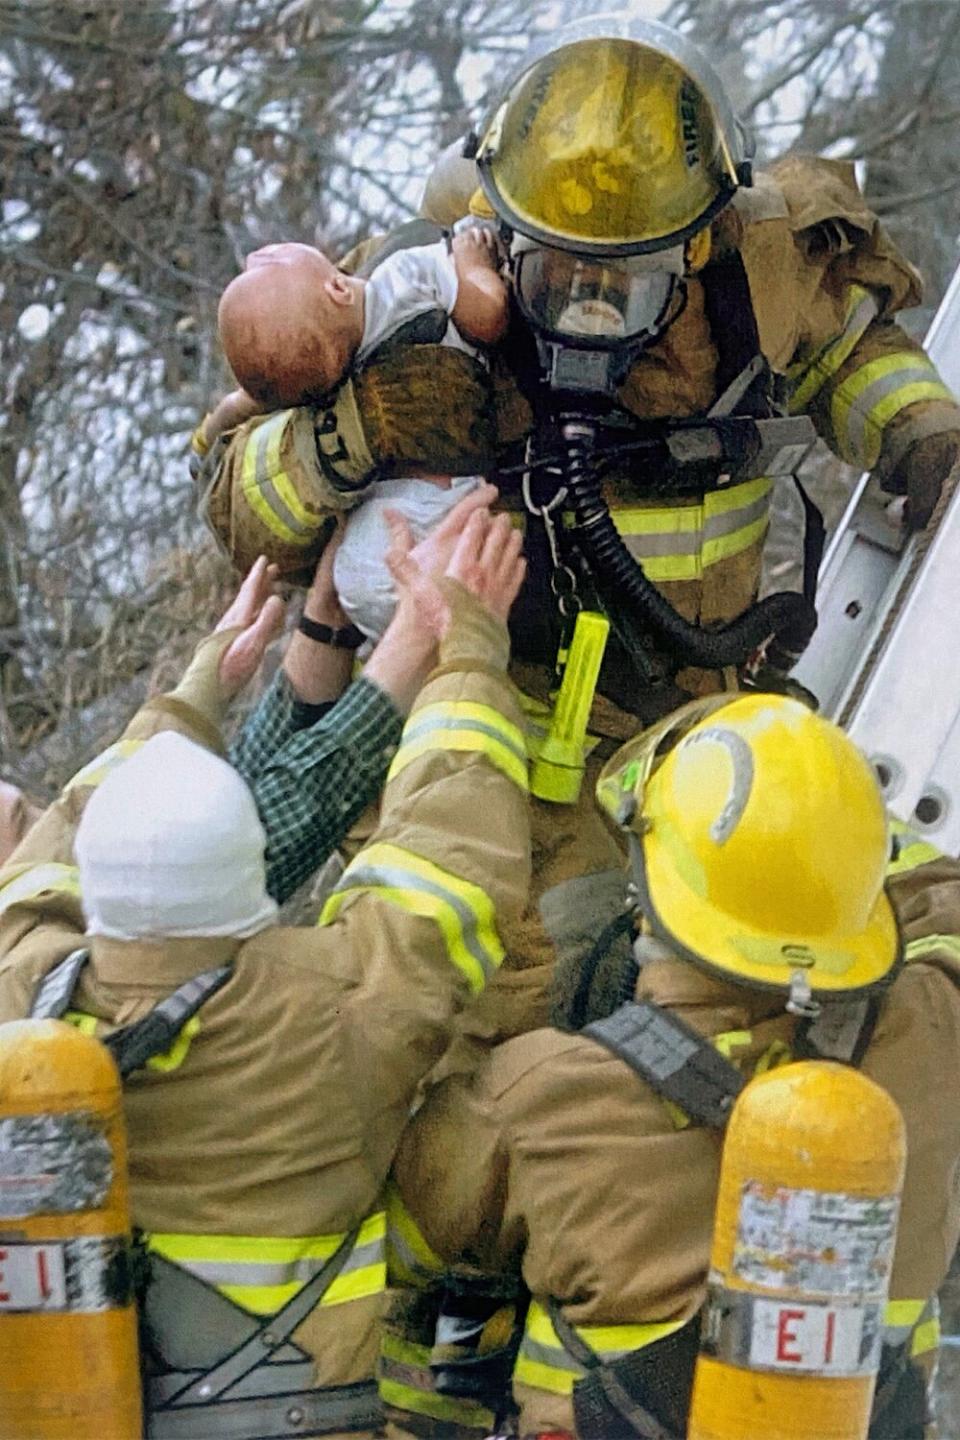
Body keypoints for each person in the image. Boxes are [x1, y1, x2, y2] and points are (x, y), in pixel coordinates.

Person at [192, 13, 960, 1071]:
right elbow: (236, 498)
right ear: (497, 229)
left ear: (696, 242)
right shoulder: (409, 291)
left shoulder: (757, 274)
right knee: (459, 1005)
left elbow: (851, 352)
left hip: (680, 730)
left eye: (626, 280)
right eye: (555, 275)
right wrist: (351, 433)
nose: (588, 305)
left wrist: (918, 431)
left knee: (684, 999)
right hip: (472, 722)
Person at [0, 500, 530, 1440]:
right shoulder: (332, 1017)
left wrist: (190, 700)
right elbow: (453, 856)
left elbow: (51, 860)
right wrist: (470, 654)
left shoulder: (22, 1008)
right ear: (252, 885)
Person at [385, 693, 960, 1440]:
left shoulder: (536, 1097)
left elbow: (398, 1255)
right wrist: (825, 829)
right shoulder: (936, 1030)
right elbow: (939, 895)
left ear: (650, 898)